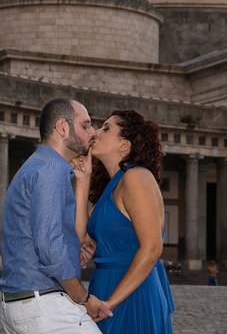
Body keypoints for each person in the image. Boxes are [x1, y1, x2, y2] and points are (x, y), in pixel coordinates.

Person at [0, 98, 111, 334]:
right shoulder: (50, 170)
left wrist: (83, 181)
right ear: (62, 128)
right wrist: (84, 298)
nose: (93, 132)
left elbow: (70, 236)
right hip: (44, 305)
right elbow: (49, 248)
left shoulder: (43, 165)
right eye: (86, 125)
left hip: (25, 304)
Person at [75, 110, 175, 334]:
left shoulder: (136, 177)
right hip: (105, 286)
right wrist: (83, 181)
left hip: (131, 293)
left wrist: (112, 302)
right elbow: (83, 239)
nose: (96, 132)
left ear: (125, 145)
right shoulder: (113, 186)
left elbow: (152, 248)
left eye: (106, 128)